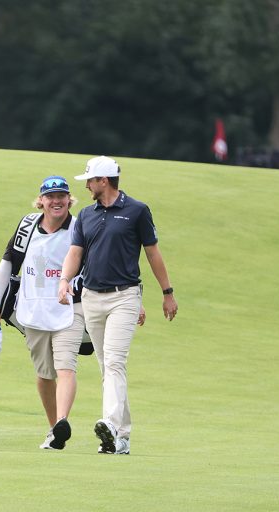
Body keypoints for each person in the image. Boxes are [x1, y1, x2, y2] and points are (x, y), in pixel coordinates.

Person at [58, 155, 178, 455]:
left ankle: (110, 425)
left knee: (114, 363)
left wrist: (167, 292)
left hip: (124, 297)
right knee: (107, 367)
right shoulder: (86, 214)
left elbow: (152, 253)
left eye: (90, 180)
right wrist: (64, 280)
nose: (86, 185)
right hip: (90, 297)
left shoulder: (136, 211)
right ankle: (121, 438)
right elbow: (75, 253)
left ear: (104, 181)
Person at [0, 176, 84, 451]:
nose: (56, 201)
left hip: (69, 309)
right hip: (34, 308)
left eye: (62, 196)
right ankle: (54, 429)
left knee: (65, 366)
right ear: (41, 201)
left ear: (69, 199)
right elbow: (7, 265)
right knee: (44, 373)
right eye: (50, 197)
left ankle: (63, 420)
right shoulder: (27, 226)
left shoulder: (79, 227)